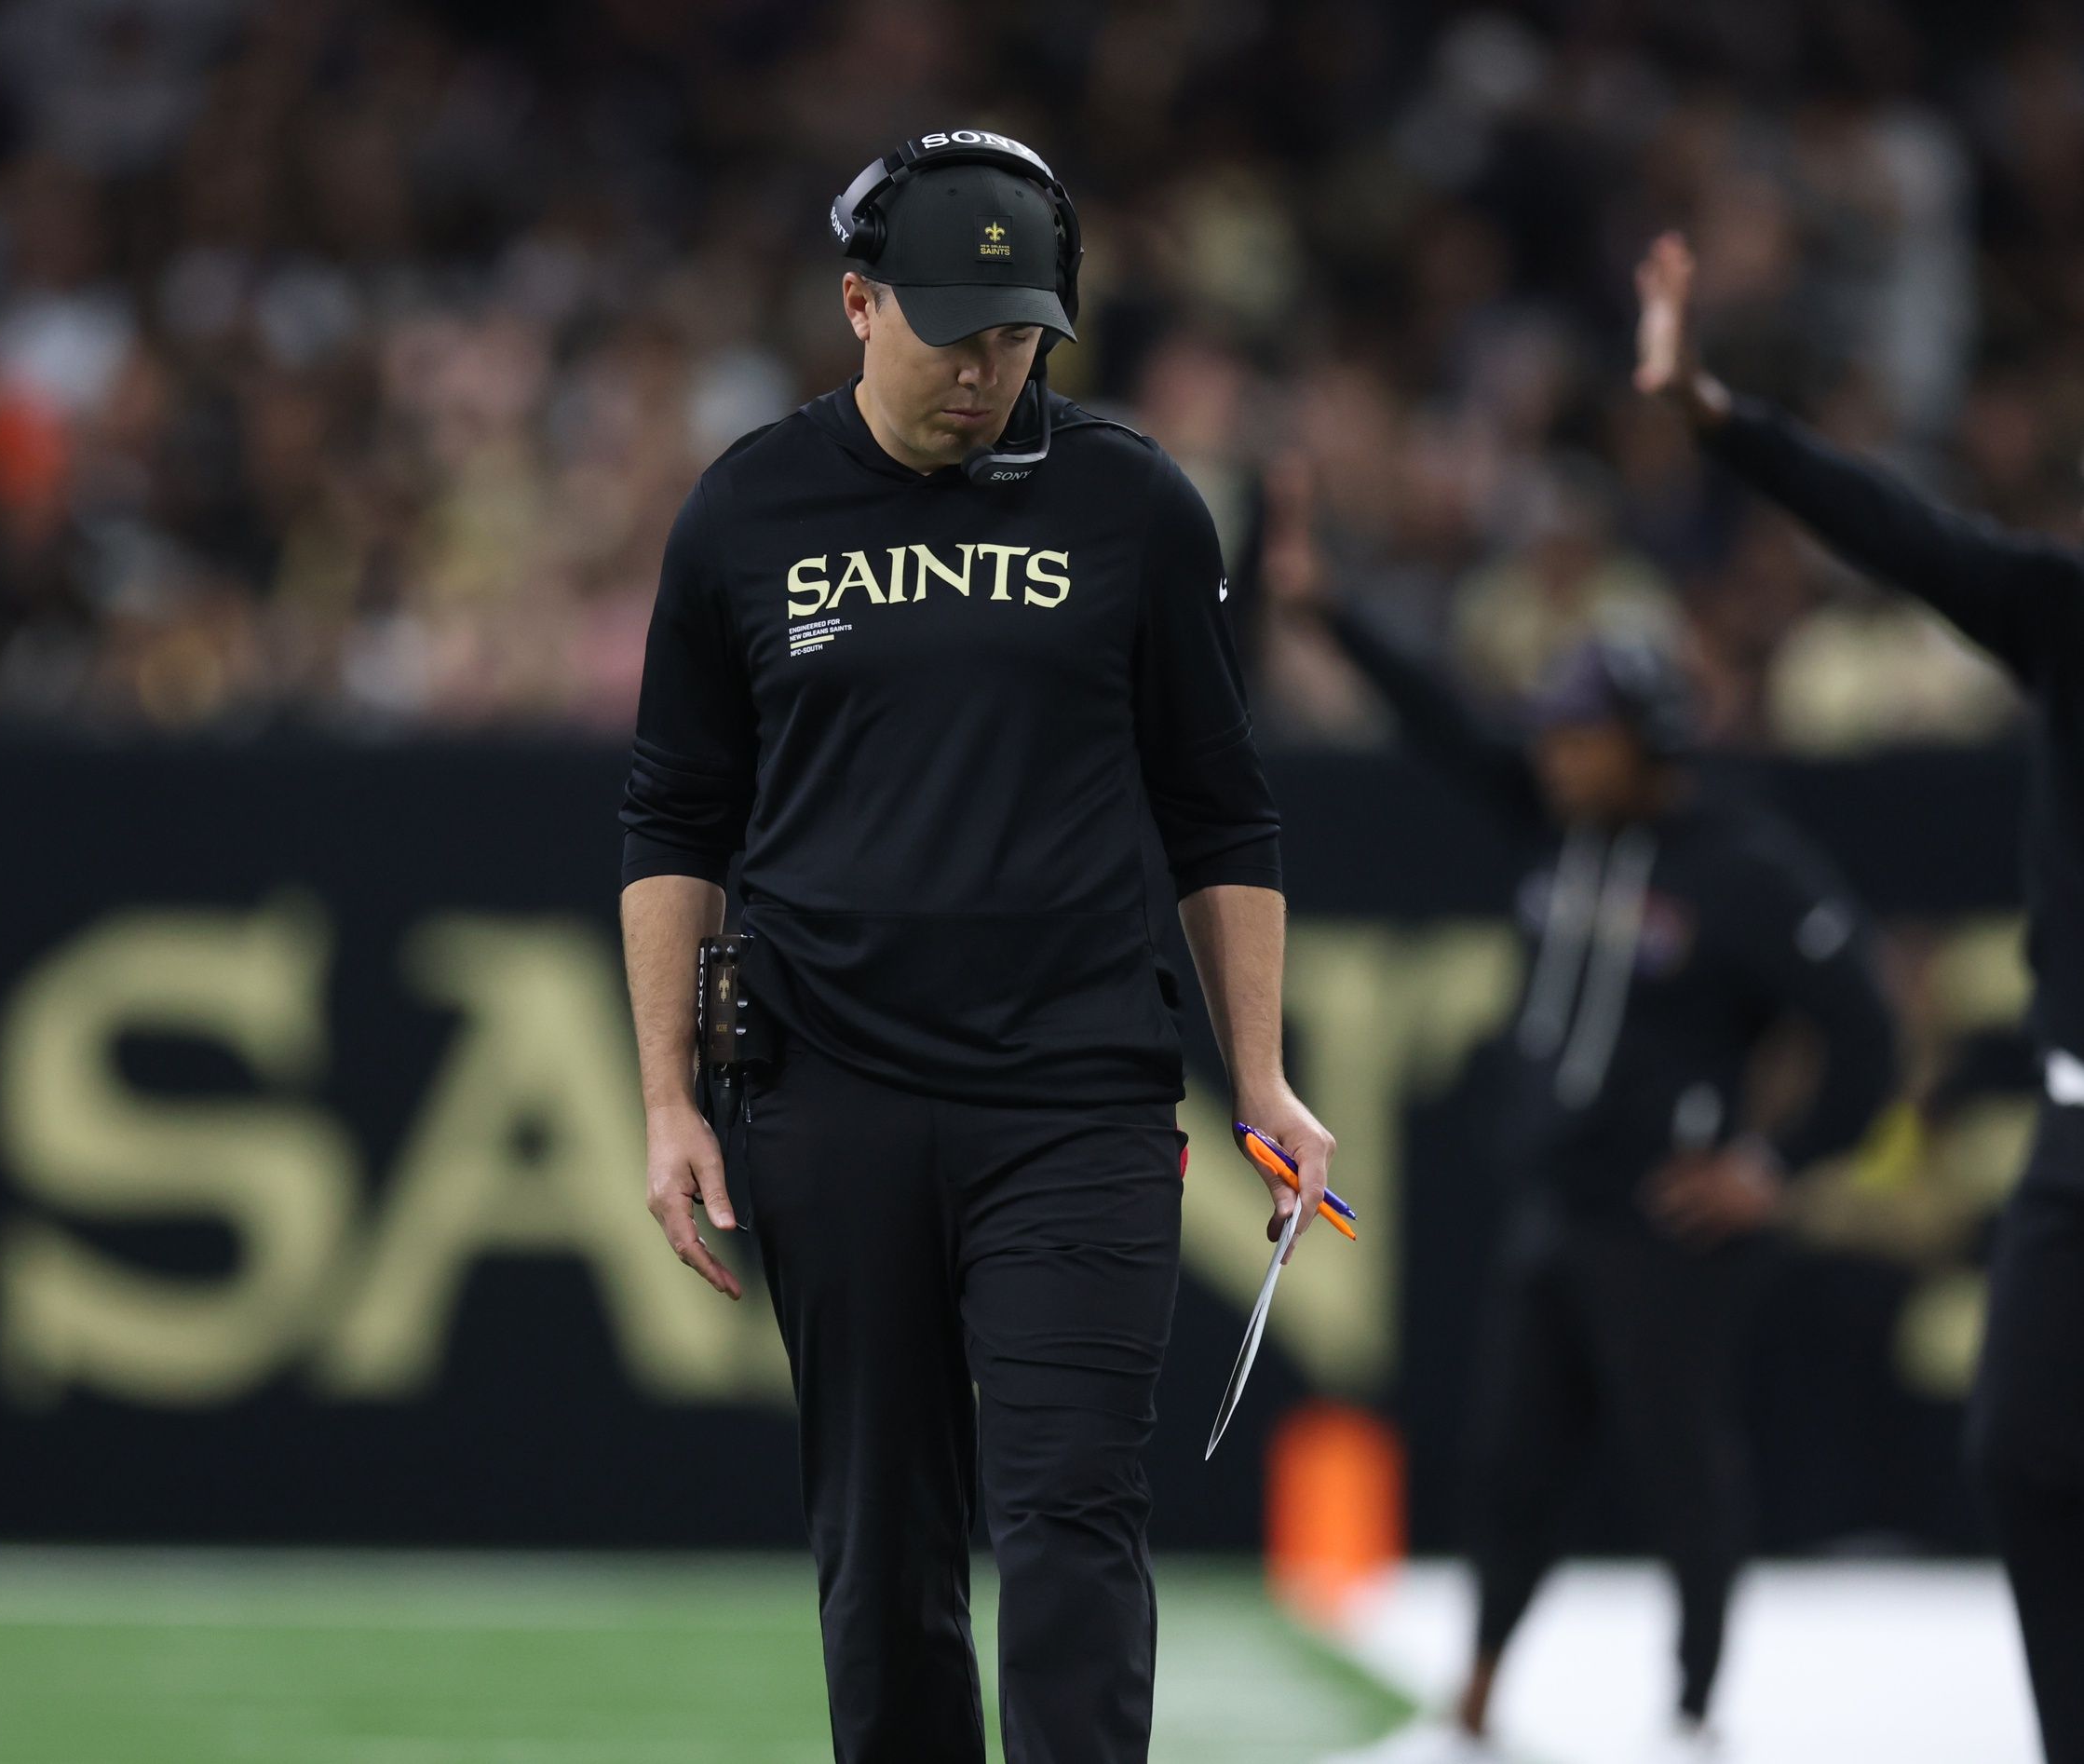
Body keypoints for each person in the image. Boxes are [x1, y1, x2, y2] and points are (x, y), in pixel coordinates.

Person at [616, 129, 1335, 1764]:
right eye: (953, 332)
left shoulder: (1135, 504)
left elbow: (1221, 811)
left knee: (1074, 1516)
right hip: (830, 1091)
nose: (985, 370)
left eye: (1018, 335)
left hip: (1077, 1099)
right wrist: (667, 1099)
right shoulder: (744, 510)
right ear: (858, 303)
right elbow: (673, 820)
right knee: (883, 1552)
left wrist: (1262, 1072)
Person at [1295, 577, 1898, 1759]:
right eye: (1551, 736)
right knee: (1509, 1462)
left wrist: (1769, 1165)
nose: (1556, 758)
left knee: (1677, 1465)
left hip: (1665, 1219)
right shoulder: (1553, 824)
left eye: (1582, 736)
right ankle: (1478, 1681)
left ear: (1649, 738)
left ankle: (1694, 1702)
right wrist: (1330, 607)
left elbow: (1864, 1028)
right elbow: (1440, 718)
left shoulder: (1741, 866)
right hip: (1554, 1204)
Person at [1635, 229, 2084, 1764]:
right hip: (2075, 1129)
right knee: (2023, 1448)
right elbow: (1905, 535)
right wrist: (1720, 417)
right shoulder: (2067, 612)